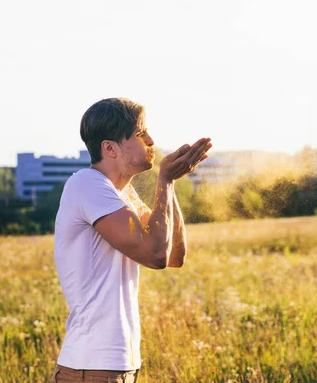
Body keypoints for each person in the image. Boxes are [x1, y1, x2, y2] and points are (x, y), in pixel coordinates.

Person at [52, 98, 212, 383]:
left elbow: (174, 256)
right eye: (141, 134)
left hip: (115, 365)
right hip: (92, 367)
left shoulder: (123, 194)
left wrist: (170, 185)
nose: (151, 140)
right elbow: (155, 256)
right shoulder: (86, 185)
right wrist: (164, 181)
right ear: (110, 148)